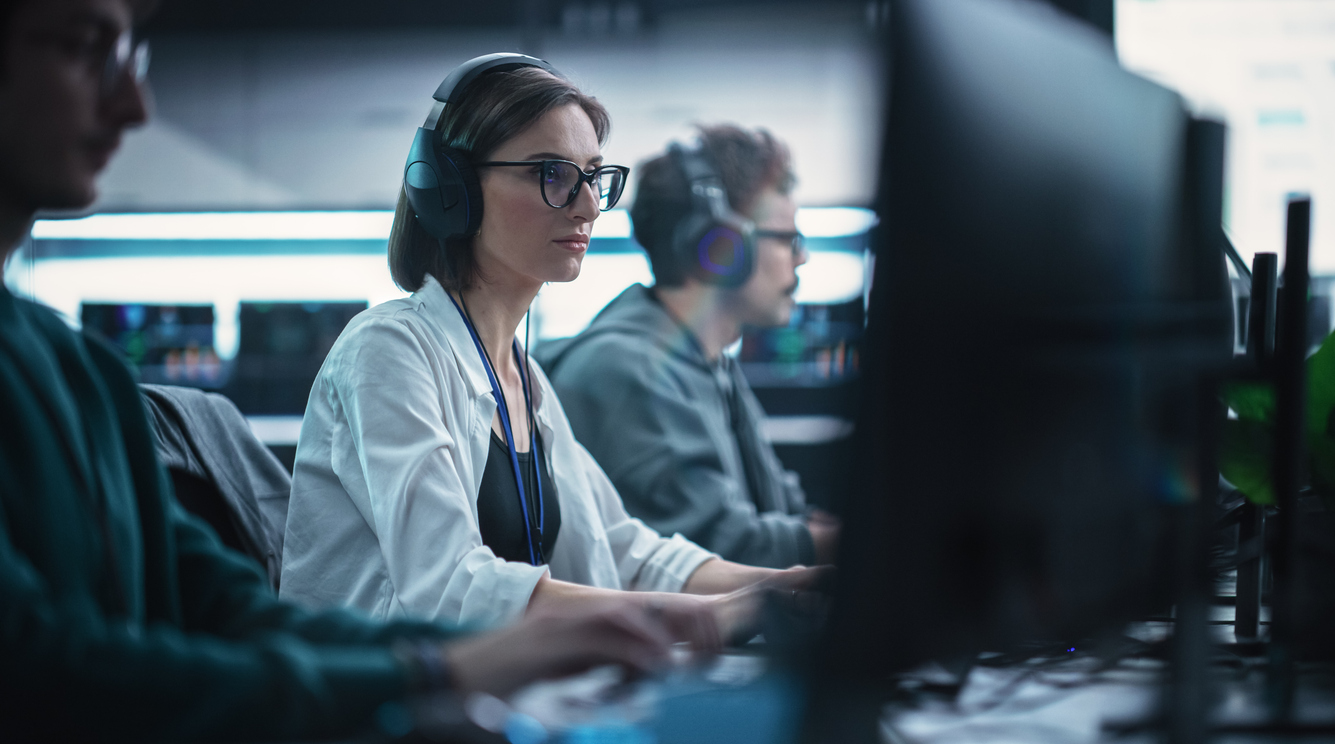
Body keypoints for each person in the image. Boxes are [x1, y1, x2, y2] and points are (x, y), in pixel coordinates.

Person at [0, 2, 679, 740]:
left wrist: (487, 656)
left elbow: (237, 615)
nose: (135, 106)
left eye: (132, 60)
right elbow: (42, 670)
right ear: (448, 187)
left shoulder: (82, 372)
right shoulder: (388, 350)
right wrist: (444, 669)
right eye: (77, 46)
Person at [278, 56, 820, 642]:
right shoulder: (388, 352)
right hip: (378, 708)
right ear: (452, 187)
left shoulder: (521, 374)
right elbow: (448, 588)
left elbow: (627, 550)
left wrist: (784, 583)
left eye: (593, 177)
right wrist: (714, 616)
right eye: (553, 174)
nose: (588, 207)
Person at [539, 125, 841, 568]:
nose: (802, 258)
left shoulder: (710, 364)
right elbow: (720, 551)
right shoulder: (628, 371)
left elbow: (783, 508)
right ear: (721, 247)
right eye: (788, 240)